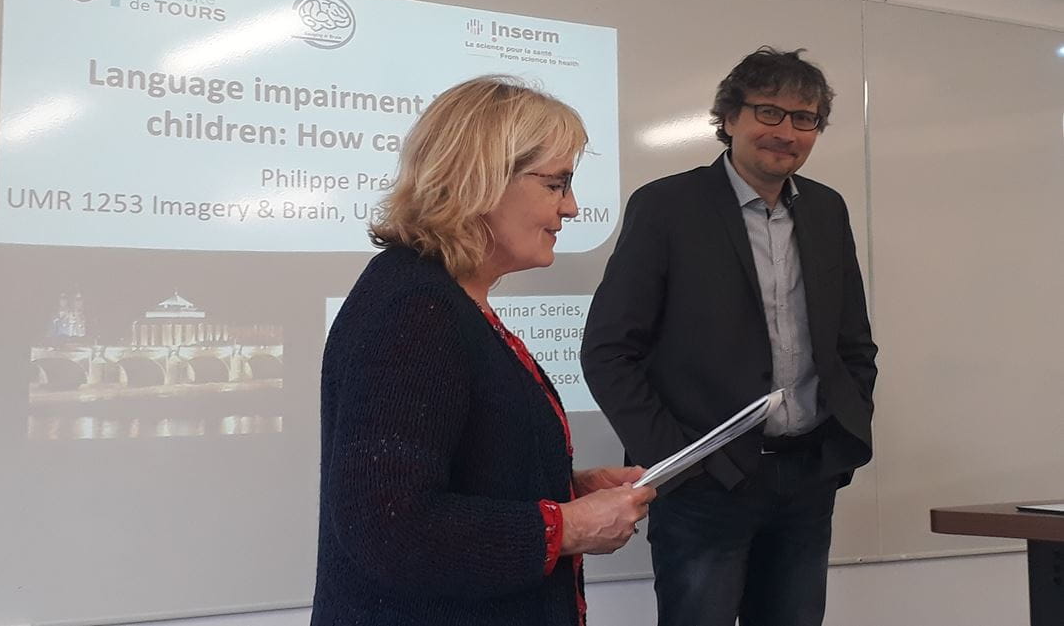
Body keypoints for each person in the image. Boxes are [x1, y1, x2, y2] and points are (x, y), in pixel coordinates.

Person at [311, 75, 656, 626]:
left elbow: (459, 471)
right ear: (481, 180)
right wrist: (568, 526)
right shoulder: (414, 309)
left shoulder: (442, 299)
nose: (571, 208)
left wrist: (565, 490)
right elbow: (389, 525)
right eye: (556, 184)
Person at [581, 47, 878, 626]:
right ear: (729, 118)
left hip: (807, 477)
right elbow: (609, 350)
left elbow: (853, 342)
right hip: (704, 489)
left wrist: (847, 423)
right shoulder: (667, 206)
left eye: (804, 118)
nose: (786, 132)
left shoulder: (826, 210)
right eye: (768, 112)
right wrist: (677, 460)